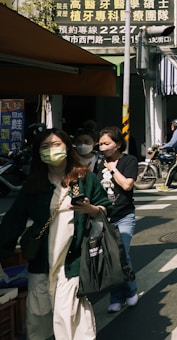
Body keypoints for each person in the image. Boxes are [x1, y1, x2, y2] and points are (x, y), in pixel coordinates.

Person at [0, 128, 112, 339]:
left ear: (68, 149)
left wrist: (93, 210)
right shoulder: (34, 184)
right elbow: (13, 219)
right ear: (38, 153)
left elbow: (106, 207)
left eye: (56, 144)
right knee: (38, 314)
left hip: (73, 260)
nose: (51, 150)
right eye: (45, 146)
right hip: (41, 260)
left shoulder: (83, 179)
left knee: (68, 313)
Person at [96, 126, 139, 312]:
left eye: (107, 143)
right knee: (109, 259)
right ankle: (116, 297)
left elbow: (127, 185)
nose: (103, 147)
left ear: (118, 144)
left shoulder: (129, 161)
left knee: (122, 255)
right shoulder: (99, 164)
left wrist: (113, 169)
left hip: (124, 216)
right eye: (100, 144)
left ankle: (130, 291)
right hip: (104, 218)